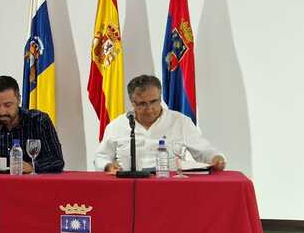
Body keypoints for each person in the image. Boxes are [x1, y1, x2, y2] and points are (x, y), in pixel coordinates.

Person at [95, 74, 226, 174]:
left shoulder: (180, 122)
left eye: (153, 101)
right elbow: (101, 156)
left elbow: (204, 151)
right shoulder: (117, 126)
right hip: (129, 186)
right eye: (142, 104)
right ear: (132, 103)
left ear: (160, 97)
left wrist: (216, 158)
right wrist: (108, 166)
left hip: (170, 185)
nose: (149, 108)